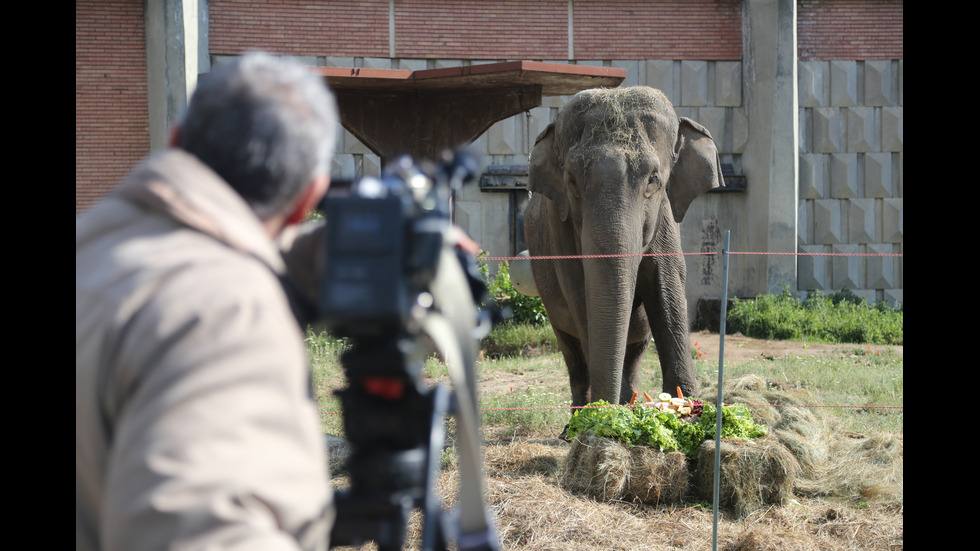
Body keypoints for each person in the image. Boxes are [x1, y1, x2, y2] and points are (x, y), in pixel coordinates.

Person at [76, 52, 339, 551]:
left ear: (176, 143)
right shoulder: (225, 312)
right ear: (309, 197)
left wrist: (319, 252)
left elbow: (186, 254)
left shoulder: (93, 246)